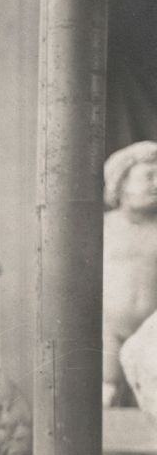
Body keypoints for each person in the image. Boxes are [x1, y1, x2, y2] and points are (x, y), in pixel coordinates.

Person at [103, 140, 157, 407]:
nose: (156, 183)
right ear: (122, 182)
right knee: (105, 394)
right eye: (148, 176)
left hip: (152, 333)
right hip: (108, 330)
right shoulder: (103, 227)